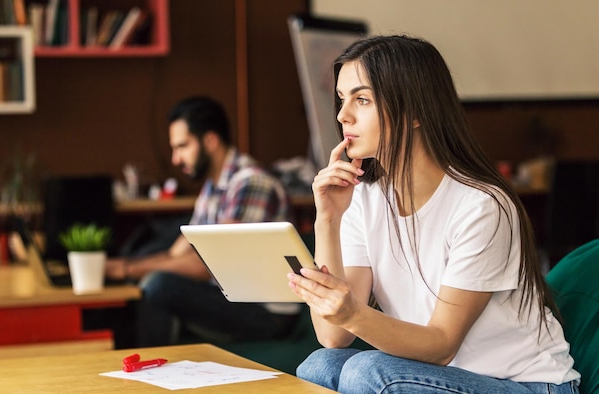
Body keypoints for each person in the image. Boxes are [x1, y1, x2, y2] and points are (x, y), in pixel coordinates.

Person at [287, 35, 581, 393]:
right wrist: (328, 220)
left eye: (361, 99)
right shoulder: (361, 200)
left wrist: (352, 312)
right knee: (320, 364)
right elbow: (334, 336)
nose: (342, 115)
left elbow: (442, 344)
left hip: (527, 385)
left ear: (412, 113)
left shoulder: (482, 205)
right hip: (442, 377)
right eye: (341, 99)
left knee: (366, 372)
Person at [106, 96, 299, 347]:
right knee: (150, 278)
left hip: (266, 312)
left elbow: (212, 265)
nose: (175, 159)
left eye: (182, 146)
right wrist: (123, 268)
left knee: (159, 284)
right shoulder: (213, 187)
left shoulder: (251, 183)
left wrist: (126, 269)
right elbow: (177, 252)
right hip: (231, 297)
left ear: (210, 141)